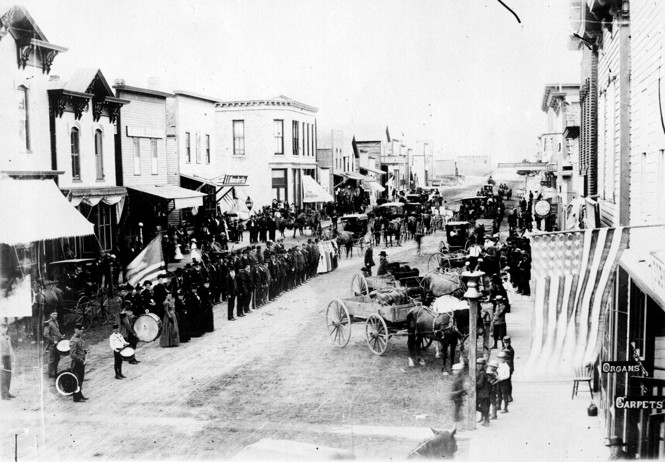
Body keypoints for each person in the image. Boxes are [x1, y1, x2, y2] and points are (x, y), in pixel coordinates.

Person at [44, 310, 66, 378]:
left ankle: (55, 372)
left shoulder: (56, 322)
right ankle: (50, 373)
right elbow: (46, 334)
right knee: (52, 359)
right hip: (52, 344)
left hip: (57, 343)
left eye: (56, 314)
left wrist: (61, 336)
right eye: (53, 314)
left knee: (57, 358)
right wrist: (53, 341)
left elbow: (57, 331)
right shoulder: (48, 323)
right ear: (50, 315)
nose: (55, 315)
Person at [69, 324, 88, 402]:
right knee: (77, 380)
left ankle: (80, 394)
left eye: (82, 329)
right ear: (75, 329)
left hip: (81, 362)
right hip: (77, 363)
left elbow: (79, 350)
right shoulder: (73, 340)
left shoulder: (79, 338)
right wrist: (80, 360)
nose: (82, 331)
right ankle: (76, 397)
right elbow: (72, 354)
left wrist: (85, 351)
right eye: (80, 329)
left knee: (81, 379)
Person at [0, 323, 15, 400]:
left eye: (5, 328)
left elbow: (10, 348)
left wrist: (13, 359)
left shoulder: (7, 337)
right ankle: (4, 395)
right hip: (1, 358)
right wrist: (0, 363)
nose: (4, 329)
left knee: (8, 375)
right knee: (3, 377)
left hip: (8, 357)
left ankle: (7, 392)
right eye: (2, 328)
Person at [476, 357, 490, 426]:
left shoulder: (482, 373)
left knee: (482, 406)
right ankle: (486, 416)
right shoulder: (480, 372)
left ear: (483, 365)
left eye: (480, 364)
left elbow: (480, 384)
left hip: (483, 393)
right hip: (481, 393)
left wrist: (473, 384)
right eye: (477, 364)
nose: (478, 365)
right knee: (480, 406)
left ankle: (486, 420)